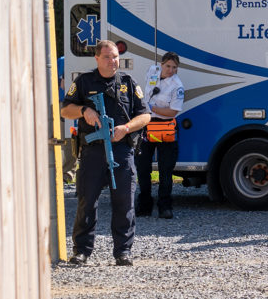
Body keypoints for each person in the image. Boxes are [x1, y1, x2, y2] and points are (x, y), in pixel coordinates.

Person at [61, 40, 150, 266]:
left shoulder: (128, 83)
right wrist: (84, 110)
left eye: (116, 57)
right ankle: (82, 251)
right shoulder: (84, 81)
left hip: (121, 151)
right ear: (97, 59)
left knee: (124, 202)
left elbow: (145, 116)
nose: (113, 61)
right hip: (92, 152)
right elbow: (65, 109)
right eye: (108, 57)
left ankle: (123, 251)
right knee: (86, 201)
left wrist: (126, 128)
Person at [136, 51, 185, 219]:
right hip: (147, 126)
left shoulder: (177, 86)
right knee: (143, 168)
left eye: (174, 67)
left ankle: (165, 205)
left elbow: (172, 111)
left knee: (165, 170)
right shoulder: (152, 71)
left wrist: (151, 108)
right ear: (161, 64)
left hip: (165, 128)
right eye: (168, 66)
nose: (170, 70)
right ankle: (144, 204)